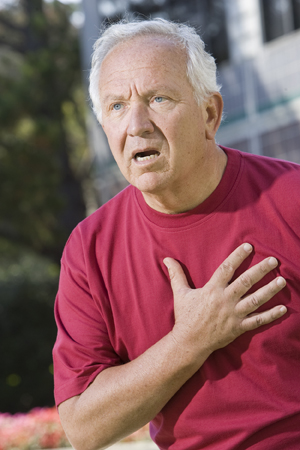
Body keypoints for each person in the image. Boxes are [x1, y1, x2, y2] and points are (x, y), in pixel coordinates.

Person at [53, 18, 300, 450]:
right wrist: (191, 340)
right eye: (116, 107)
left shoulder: (291, 199)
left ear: (210, 113)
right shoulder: (89, 248)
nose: (137, 124)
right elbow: (84, 427)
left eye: (158, 99)